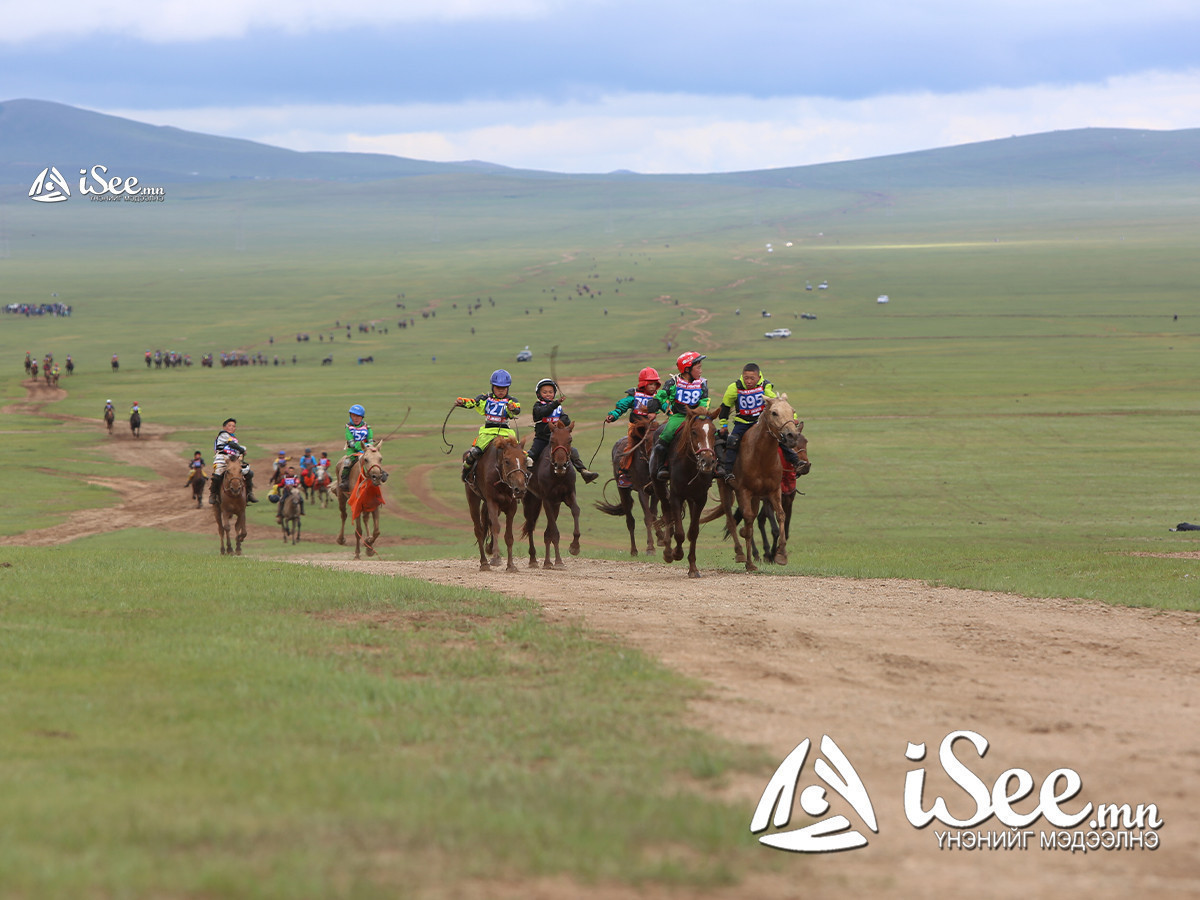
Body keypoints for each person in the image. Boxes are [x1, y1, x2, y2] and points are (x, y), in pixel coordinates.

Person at [716, 362, 803, 485]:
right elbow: (725, 407)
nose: (749, 381)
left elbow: (778, 404)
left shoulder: (765, 386)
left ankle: (795, 461)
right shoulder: (734, 387)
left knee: (778, 438)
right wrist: (723, 425)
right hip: (742, 423)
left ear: (758, 377)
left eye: (752, 378)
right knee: (732, 441)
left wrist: (793, 418)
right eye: (746, 378)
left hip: (760, 422)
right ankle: (728, 471)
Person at [648, 352, 710, 481]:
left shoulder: (702, 383)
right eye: (698, 367)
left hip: (698, 417)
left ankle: (716, 466)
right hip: (679, 416)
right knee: (666, 435)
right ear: (687, 369)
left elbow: (705, 400)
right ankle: (662, 467)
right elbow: (661, 395)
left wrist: (702, 410)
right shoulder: (673, 382)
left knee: (713, 434)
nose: (701, 370)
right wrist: (653, 407)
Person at [529, 378, 599, 483]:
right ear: (539, 394)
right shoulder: (538, 406)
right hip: (542, 439)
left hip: (558, 440)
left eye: (550, 392)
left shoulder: (558, 408)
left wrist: (559, 422)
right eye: (544, 392)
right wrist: (555, 403)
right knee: (531, 455)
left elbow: (566, 419)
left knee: (573, 451)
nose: (548, 394)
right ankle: (526, 477)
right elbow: (543, 412)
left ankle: (584, 471)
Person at [457, 369, 521, 483]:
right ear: (492, 387)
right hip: (487, 432)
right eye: (498, 388)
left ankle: (524, 475)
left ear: (508, 388)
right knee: (475, 451)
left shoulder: (511, 401)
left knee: (518, 452)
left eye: (504, 388)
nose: (501, 391)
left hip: (505, 433)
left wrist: (513, 408)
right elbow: (474, 402)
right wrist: (463, 402)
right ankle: (466, 472)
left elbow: (516, 409)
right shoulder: (485, 399)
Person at [604, 367, 663, 478]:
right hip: (636, 427)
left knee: (663, 442)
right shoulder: (634, 395)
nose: (653, 387)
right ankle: (624, 472)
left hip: (652, 427)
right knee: (630, 446)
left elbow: (666, 406)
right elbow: (622, 406)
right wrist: (613, 415)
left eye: (655, 384)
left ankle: (663, 468)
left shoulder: (658, 396)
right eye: (650, 384)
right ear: (643, 384)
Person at [208, 417, 258, 504]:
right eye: (229, 425)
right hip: (222, 458)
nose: (231, 427)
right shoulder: (223, 434)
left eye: (233, 426)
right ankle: (213, 494)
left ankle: (249, 493)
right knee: (217, 475)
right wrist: (241, 449)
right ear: (224, 427)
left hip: (233, 460)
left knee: (249, 473)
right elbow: (231, 444)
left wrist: (241, 452)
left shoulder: (234, 438)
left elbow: (234, 448)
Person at [338, 404, 373, 493]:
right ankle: (344, 481)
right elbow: (351, 442)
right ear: (350, 416)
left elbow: (370, 440)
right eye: (354, 416)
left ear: (362, 417)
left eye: (358, 416)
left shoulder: (367, 428)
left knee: (375, 460)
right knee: (347, 463)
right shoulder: (349, 428)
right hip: (353, 452)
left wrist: (368, 446)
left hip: (366, 451)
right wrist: (360, 447)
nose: (356, 418)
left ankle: (379, 475)